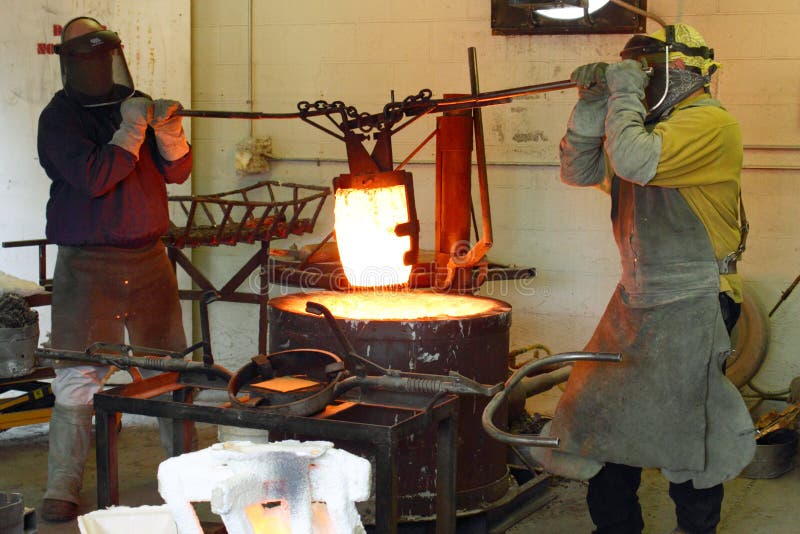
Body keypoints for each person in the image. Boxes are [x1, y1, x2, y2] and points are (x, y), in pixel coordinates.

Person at [534, 23, 756, 534]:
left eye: (645, 70)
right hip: (637, 298)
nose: (637, 80)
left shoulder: (710, 124)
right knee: (605, 421)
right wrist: (595, 100)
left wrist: (624, 92)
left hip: (696, 299)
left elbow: (633, 160)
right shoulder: (639, 125)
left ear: (682, 71)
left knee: (688, 434)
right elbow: (578, 170)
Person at [37, 16, 192, 522]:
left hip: (149, 260)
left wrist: (169, 133)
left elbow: (179, 172)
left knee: (168, 372)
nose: (101, 69)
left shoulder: (136, 101)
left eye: (107, 58)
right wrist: (132, 128)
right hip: (87, 266)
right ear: (72, 64)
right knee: (80, 375)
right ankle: (63, 486)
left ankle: (184, 476)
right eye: (90, 60)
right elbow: (96, 176)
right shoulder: (59, 119)